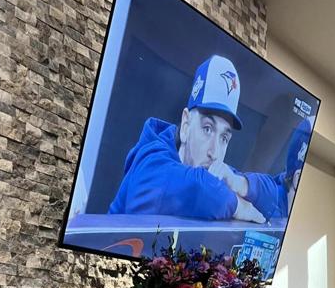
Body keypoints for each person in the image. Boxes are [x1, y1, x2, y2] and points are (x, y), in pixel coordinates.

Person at [109, 55, 266, 223]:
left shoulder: (214, 174)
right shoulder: (150, 161)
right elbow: (193, 186)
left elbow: (268, 193)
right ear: (185, 125)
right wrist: (238, 206)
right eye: (207, 129)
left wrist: (240, 185)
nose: (214, 153)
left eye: (224, 138)